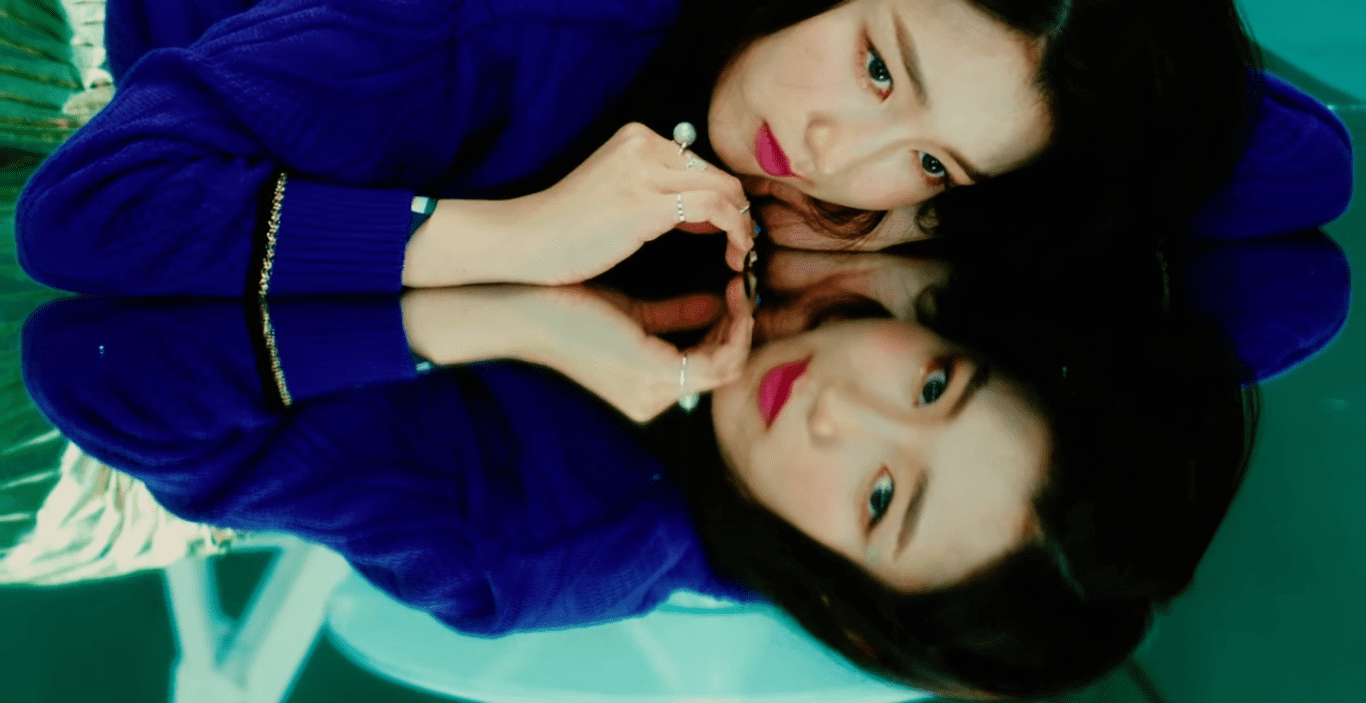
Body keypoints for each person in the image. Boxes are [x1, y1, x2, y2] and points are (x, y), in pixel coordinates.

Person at [17, 236, 1258, 698]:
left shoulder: (539, 540)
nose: (842, 412)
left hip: (90, 428)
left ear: (847, 594)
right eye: (932, 384)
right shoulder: (799, 234)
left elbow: (126, 377)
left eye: (883, 499)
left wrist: (484, 304)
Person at [17, 0, 1304, 301]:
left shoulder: (837, 87)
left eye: (930, 161)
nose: (835, 158)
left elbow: (1301, 165)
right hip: (76, 16)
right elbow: (94, 214)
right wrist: (514, 239)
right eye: (874, 68)